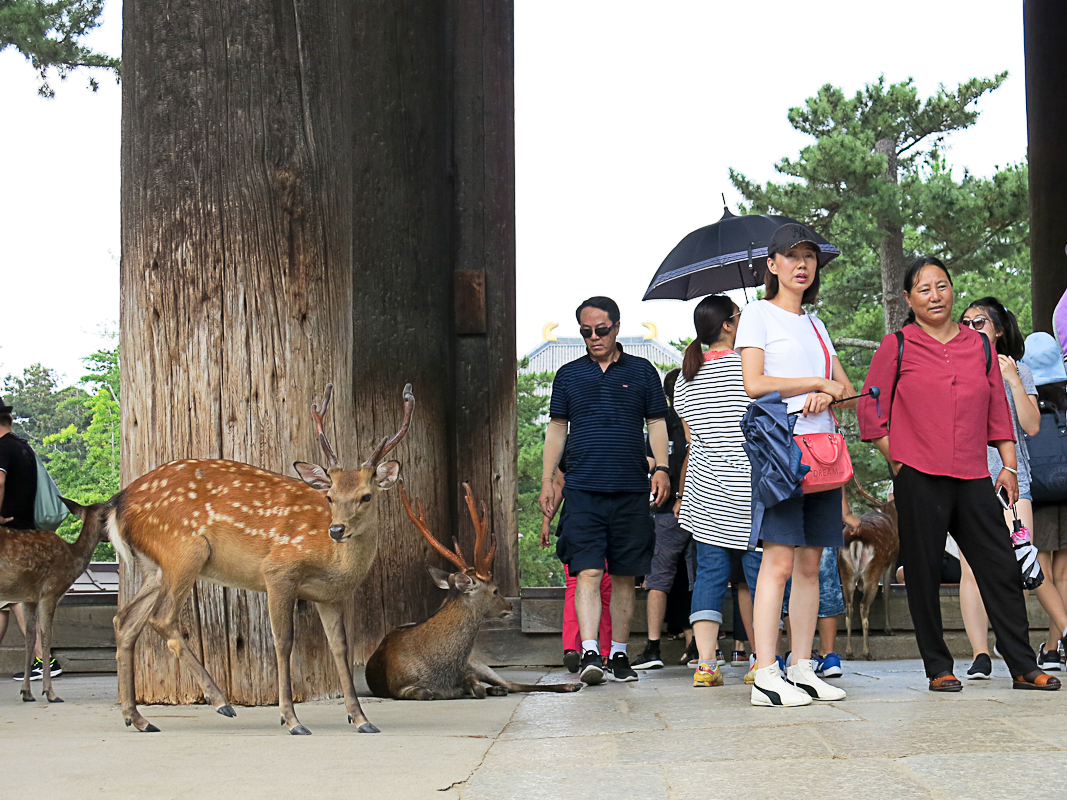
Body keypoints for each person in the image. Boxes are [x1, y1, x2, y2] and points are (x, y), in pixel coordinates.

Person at [858, 256, 1059, 692]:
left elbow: (995, 410)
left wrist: (1007, 464)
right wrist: (899, 461)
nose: (935, 295)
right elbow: (871, 409)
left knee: (1001, 567)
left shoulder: (980, 346)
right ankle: (938, 667)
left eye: (942, 285)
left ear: (952, 289)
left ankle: (1023, 665)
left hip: (973, 474)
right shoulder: (897, 345)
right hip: (920, 475)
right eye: (924, 288)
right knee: (925, 571)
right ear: (909, 298)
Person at [736, 224, 856, 707]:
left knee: (812, 562)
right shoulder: (756, 315)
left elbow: (844, 390)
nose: (802, 264)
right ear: (772, 265)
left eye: (809, 257)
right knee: (779, 560)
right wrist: (812, 385)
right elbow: (754, 383)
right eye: (791, 256)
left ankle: (802, 666)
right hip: (782, 451)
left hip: (823, 453)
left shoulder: (817, 325)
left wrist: (824, 391)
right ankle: (767, 672)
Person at [540, 296, 671, 685]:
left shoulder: (643, 371)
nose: (593, 337)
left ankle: (619, 654)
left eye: (601, 330)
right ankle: (591, 650)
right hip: (582, 489)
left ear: (616, 326)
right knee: (588, 572)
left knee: (627, 575)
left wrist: (661, 467)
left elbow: (657, 424)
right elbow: (556, 428)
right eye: (585, 331)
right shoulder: (567, 375)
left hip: (631, 488)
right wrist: (549, 478)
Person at [956, 298, 1067, 679]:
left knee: (1022, 561)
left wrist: (1015, 380)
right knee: (971, 569)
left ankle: (1019, 639)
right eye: (965, 322)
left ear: (999, 329)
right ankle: (979, 653)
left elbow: (1032, 425)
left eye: (980, 322)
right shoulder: (954, 368)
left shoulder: (1018, 369)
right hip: (968, 479)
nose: (971, 327)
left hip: (1013, 479)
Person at [672, 294, 760, 688]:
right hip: (750, 484)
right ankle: (763, 659)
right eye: (739, 317)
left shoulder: (685, 377)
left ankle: (706, 664)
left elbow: (692, 438)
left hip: (706, 488)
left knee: (709, 574)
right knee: (760, 575)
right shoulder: (749, 368)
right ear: (728, 324)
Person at [632, 369, 695, 671]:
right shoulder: (696, 421)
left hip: (665, 510)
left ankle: (653, 646)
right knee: (697, 577)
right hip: (702, 509)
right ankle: (697, 646)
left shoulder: (659, 426)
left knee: (657, 578)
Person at [0, 397, 60, 682]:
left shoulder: (2, 448)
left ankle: (45, 659)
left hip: (9, 538)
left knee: (13, 598)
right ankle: (44, 660)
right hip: (28, 533)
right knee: (11, 599)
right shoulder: (24, 447)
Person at [1022, 331, 1067, 669]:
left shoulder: (1026, 399)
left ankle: (1057, 644)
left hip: (1039, 493)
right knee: (1063, 573)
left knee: (1043, 572)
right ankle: (1052, 648)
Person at [540, 465, 612, 672]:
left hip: (581, 523)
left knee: (578, 588)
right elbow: (559, 484)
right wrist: (547, 521)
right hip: (592, 523)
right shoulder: (574, 446)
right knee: (603, 588)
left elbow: (558, 484)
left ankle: (572, 647)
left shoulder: (571, 444)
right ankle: (604, 652)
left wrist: (547, 521)